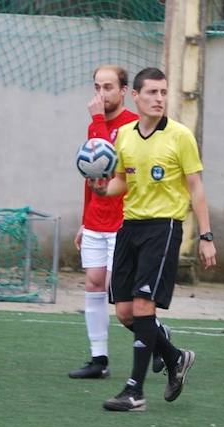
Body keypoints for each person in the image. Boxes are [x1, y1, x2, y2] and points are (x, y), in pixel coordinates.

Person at [90, 67, 215, 412]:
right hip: (130, 227)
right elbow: (120, 182)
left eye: (163, 92)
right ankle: (174, 357)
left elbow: (197, 188)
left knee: (145, 307)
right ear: (137, 96)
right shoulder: (125, 136)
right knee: (127, 314)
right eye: (152, 93)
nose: (159, 99)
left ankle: (135, 391)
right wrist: (101, 187)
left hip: (164, 227)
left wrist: (206, 236)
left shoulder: (180, 136)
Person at [68, 65, 141, 380]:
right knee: (94, 283)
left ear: (124, 90)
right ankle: (99, 359)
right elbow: (91, 176)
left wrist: (98, 121)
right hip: (97, 220)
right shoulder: (93, 126)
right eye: (97, 87)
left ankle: (160, 342)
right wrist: (85, 220)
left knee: (122, 296)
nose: (101, 94)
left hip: (123, 222)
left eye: (108, 87)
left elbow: (109, 164)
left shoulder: (134, 126)